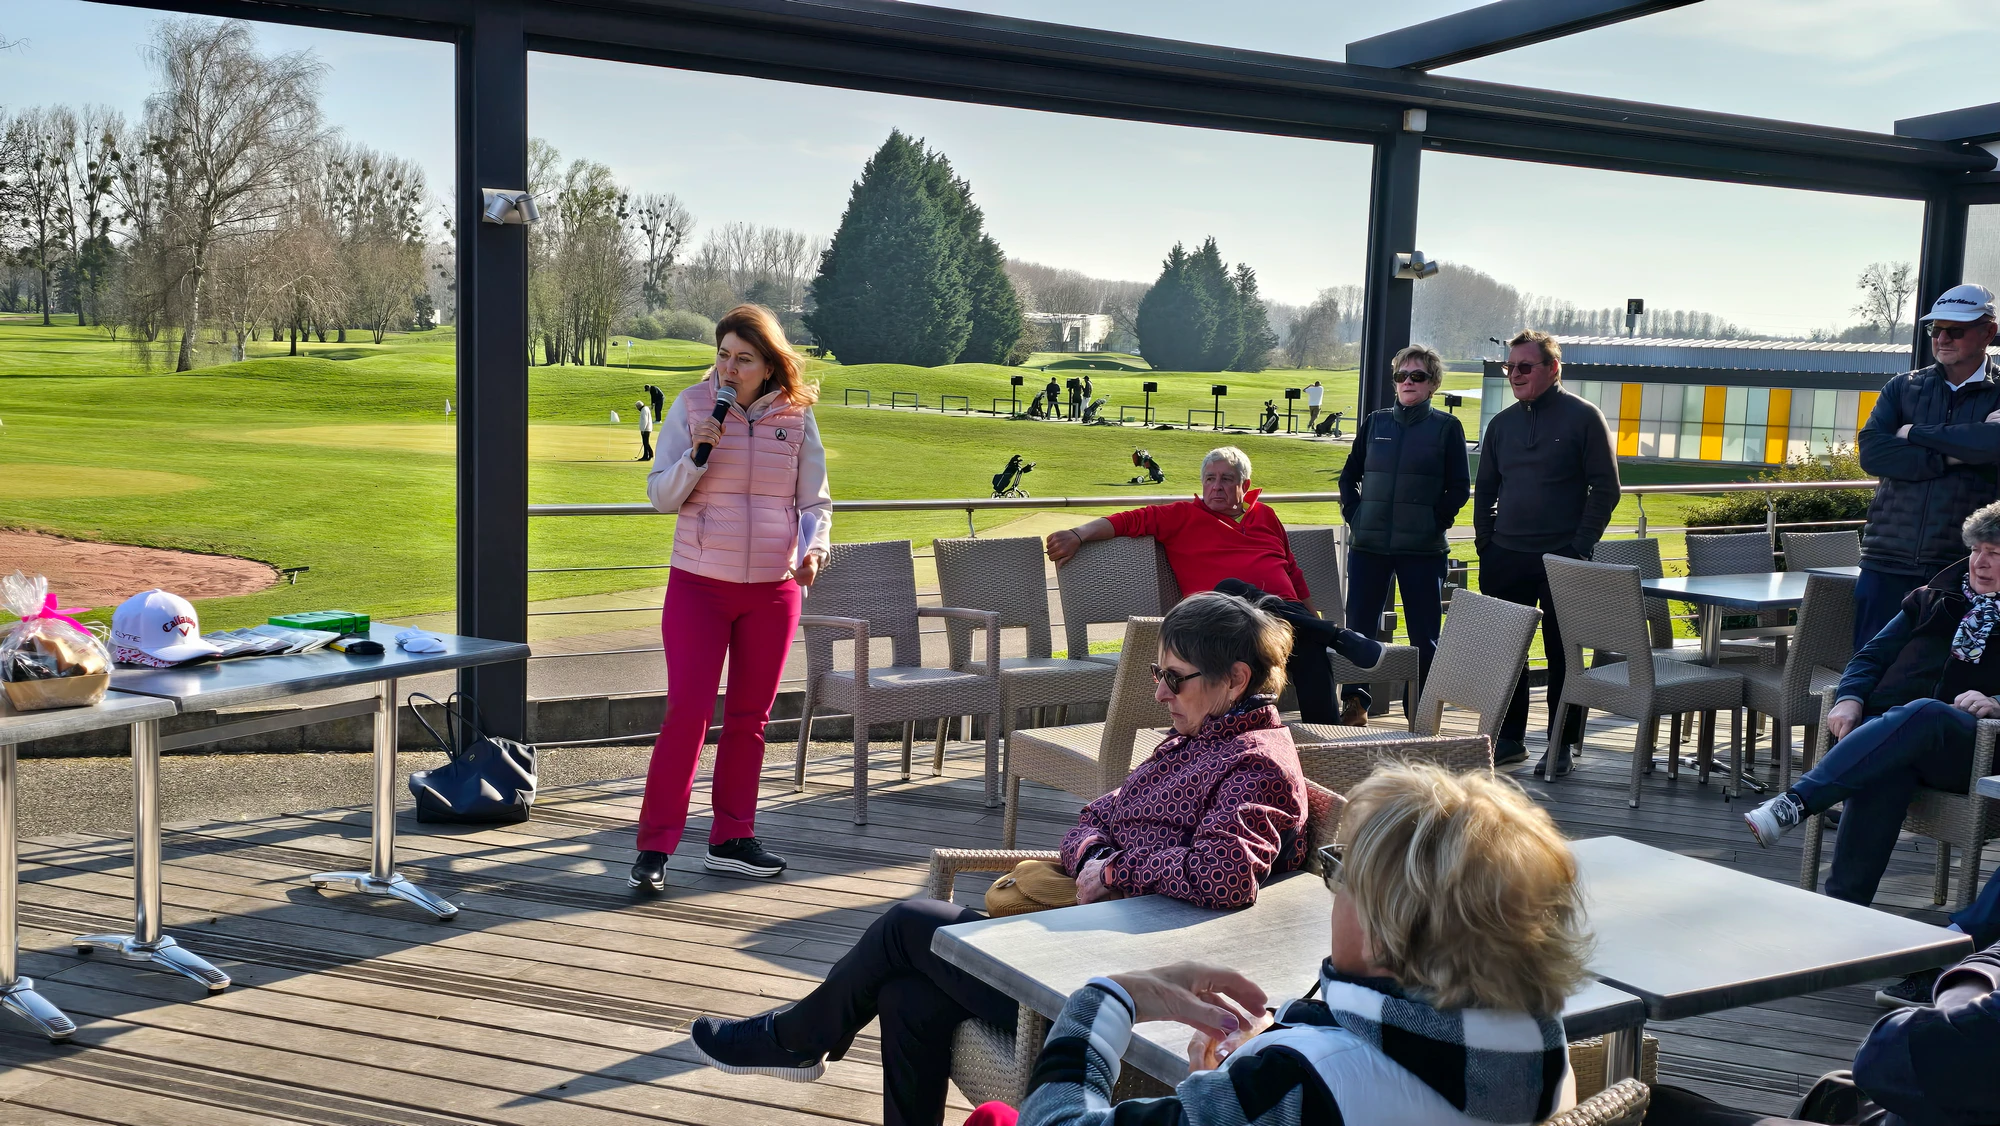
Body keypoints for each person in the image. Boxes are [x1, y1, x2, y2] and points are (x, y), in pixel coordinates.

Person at [686, 592, 1312, 1126]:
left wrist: (1115, 869)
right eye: (1157, 673)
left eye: (1174, 678)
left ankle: (796, 1038)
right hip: (1088, 948)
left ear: (1235, 679)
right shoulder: (1196, 740)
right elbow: (1093, 817)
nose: (1158, 691)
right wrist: (1096, 857)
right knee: (906, 996)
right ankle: (797, 1039)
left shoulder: (1254, 763)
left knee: (910, 924)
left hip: (1128, 993)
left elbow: (1226, 872)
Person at [1016, 761, 1589, 1126]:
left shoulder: (1293, 1086)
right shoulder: (1540, 1055)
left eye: (1339, 875)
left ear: (1387, 928)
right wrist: (1277, 1047)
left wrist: (1112, 997)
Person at [1744, 499, 2000, 1004]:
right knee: (1883, 769)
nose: (1980, 562)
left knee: (1925, 713)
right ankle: (1840, 916)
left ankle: (1796, 802)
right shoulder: (1934, 597)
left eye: (1996, 553)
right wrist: (1850, 696)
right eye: (1977, 550)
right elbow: (1871, 656)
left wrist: (1995, 701)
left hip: (1978, 749)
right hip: (1906, 740)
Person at [635, 304, 831, 891]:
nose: (729, 368)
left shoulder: (796, 416)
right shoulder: (692, 406)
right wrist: (696, 455)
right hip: (699, 586)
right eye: (723, 355)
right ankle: (654, 847)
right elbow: (660, 497)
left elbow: (815, 501)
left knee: (750, 720)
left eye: (744, 359)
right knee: (687, 716)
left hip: (773, 590)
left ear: (769, 365)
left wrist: (814, 549)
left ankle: (732, 839)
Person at [1045, 446, 1386, 726]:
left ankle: (1324, 741)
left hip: (1283, 621)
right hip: (1223, 622)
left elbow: (1292, 571)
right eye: (1210, 479)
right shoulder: (1180, 516)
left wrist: (1309, 620)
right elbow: (1126, 521)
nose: (1216, 487)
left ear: (1244, 485)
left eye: (1226, 479)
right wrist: (1078, 534)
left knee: (1308, 646)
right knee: (1229, 587)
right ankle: (1338, 636)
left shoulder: (1266, 516)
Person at [1473, 329, 1620, 772]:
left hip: (1563, 558)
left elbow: (1606, 489)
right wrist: (1486, 543)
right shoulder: (1501, 424)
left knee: (1563, 656)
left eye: (1525, 366)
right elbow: (1485, 490)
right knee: (1507, 653)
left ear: (1553, 368)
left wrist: (1578, 548)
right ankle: (1510, 739)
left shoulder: (1584, 417)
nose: (1514, 375)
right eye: (1509, 367)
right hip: (1504, 556)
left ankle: (1560, 746)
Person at [1852, 283, 2000, 652]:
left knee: (1951, 671)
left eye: (1956, 330)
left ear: (1988, 332)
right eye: (1936, 329)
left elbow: (1994, 444)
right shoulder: (1902, 387)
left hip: (1964, 563)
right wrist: (1956, 453)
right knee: (1870, 665)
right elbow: (1873, 453)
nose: (1942, 338)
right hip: (1886, 559)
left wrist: (1912, 432)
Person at [1339, 344, 1469, 713]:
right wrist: (1355, 516)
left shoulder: (1447, 428)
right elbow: (1349, 476)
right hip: (1368, 547)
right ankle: (1355, 703)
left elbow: (1459, 488)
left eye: (1418, 376)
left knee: (1424, 636)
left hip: (1423, 552)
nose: (1408, 381)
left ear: (1433, 384)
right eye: (1401, 375)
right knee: (1358, 630)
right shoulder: (1375, 423)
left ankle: (1421, 713)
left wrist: (1434, 524)